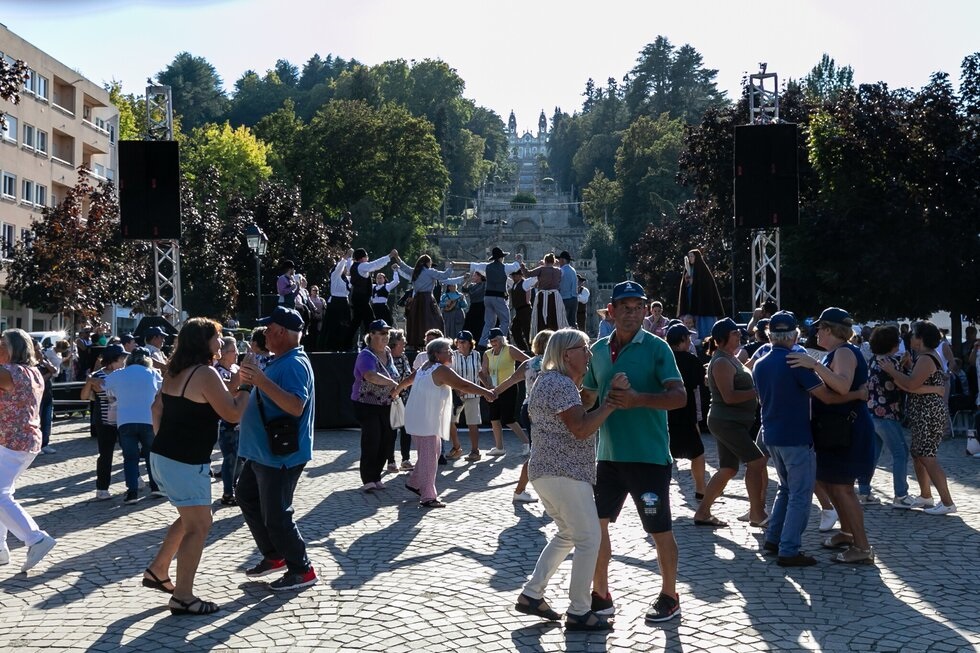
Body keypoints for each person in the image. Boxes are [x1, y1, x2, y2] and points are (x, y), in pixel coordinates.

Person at [581, 280, 686, 623]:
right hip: (607, 457)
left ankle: (670, 595)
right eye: (624, 307)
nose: (631, 313)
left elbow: (679, 397)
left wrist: (638, 399)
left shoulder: (658, 348)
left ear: (645, 310)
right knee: (596, 528)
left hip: (649, 457)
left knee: (659, 531)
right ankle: (601, 594)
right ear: (610, 312)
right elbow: (588, 397)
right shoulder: (596, 351)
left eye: (638, 307)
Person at [515, 329, 624, 631]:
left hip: (548, 472)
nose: (589, 354)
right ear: (566, 354)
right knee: (590, 539)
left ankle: (532, 594)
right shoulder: (559, 383)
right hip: (564, 472)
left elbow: (574, 419)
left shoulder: (550, 381)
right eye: (584, 349)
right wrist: (611, 404)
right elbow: (580, 428)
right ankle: (579, 610)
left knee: (567, 534)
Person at [146, 318, 250, 614]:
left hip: (164, 455)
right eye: (217, 337)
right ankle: (183, 596)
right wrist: (248, 389)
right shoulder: (204, 373)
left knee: (191, 516)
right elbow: (231, 414)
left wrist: (237, 382)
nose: (221, 342)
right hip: (185, 461)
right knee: (200, 525)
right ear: (203, 342)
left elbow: (157, 408)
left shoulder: (175, 371)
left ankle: (158, 569)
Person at [753, 311, 869, 566]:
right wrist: (858, 395)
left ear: (770, 335)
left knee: (785, 489)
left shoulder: (760, 362)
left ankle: (774, 539)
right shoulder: (797, 361)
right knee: (800, 494)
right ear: (794, 335)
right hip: (795, 436)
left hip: (770, 434)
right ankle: (789, 549)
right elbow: (827, 396)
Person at [237, 306, 319, 591]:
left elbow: (296, 406)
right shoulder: (279, 359)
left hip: (280, 455)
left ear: (283, 332)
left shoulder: (294, 363)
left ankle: (302, 569)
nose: (265, 334)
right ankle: (274, 556)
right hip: (263, 451)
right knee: (246, 496)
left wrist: (260, 380)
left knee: (277, 515)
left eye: (269, 330)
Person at [787, 307, 876, 564]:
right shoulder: (836, 353)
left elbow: (841, 384)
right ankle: (847, 533)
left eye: (819, 328)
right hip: (835, 429)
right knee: (830, 483)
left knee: (842, 487)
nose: (816, 332)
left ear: (828, 330)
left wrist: (813, 365)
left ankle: (862, 547)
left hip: (847, 429)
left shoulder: (845, 351)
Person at [394, 338, 495, 508]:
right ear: (436, 354)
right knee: (429, 458)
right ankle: (428, 496)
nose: (451, 353)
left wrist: (395, 391)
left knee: (433, 451)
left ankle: (414, 482)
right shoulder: (439, 370)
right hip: (424, 420)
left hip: (419, 417)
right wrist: (486, 392)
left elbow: (406, 382)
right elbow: (463, 385)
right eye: (447, 350)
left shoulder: (425, 367)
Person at [693, 318, 768, 528]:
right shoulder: (722, 362)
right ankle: (757, 513)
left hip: (732, 422)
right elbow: (729, 396)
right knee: (757, 462)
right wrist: (758, 392)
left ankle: (703, 512)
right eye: (734, 333)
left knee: (728, 469)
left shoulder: (730, 358)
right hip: (727, 422)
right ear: (721, 339)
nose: (738, 336)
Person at [877, 320, 957, 515]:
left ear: (920, 339)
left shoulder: (926, 358)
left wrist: (891, 371)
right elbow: (914, 384)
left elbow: (911, 385)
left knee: (927, 456)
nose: (910, 338)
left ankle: (947, 502)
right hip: (924, 411)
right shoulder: (923, 357)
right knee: (918, 453)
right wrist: (908, 368)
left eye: (913, 335)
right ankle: (925, 495)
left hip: (928, 413)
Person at [0, 328, 56, 572]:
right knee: (3, 493)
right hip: (23, 441)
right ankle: (1, 549)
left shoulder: (12, 372)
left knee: (0, 495)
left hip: (12, 441)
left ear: (12, 349)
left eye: (2, 344)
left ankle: (36, 538)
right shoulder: (33, 372)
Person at [857, 326, 916, 507]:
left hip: (871, 412)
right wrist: (905, 368)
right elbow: (904, 384)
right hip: (887, 414)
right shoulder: (890, 363)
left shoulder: (874, 360)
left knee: (873, 453)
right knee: (900, 453)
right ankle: (901, 495)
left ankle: (864, 491)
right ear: (891, 344)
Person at [495, 329, 555, 503]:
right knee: (542, 452)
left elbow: (511, 380)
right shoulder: (555, 363)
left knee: (541, 451)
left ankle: (538, 490)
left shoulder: (528, 363)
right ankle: (523, 490)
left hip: (528, 408)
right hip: (545, 410)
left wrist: (493, 392)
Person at [102, 347, 164, 505]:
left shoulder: (119, 374)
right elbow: (160, 390)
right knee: (151, 455)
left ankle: (132, 492)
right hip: (148, 419)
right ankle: (156, 486)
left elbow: (105, 387)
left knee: (130, 458)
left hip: (125, 420)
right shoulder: (152, 373)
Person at [351, 319, 399, 491]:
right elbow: (370, 375)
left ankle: (377, 475)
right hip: (366, 403)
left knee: (387, 439)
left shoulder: (387, 351)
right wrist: (392, 383)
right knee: (372, 439)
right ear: (371, 335)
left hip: (385, 403)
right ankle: (368, 478)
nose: (386, 337)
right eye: (381, 333)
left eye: (387, 333)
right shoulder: (365, 355)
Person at [664, 324, 707, 502]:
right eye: (688, 338)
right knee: (697, 454)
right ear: (682, 340)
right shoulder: (691, 360)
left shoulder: (663, 359)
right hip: (686, 415)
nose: (690, 341)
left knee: (664, 458)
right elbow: (699, 384)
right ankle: (701, 490)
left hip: (664, 415)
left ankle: (661, 492)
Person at [80, 344, 127, 500]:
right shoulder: (97, 375)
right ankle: (102, 488)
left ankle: (134, 481)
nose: (124, 361)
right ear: (112, 360)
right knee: (105, 455)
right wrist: (89, 382)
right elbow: (84, 397)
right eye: (122, 358)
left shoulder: (125, 374)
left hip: (124, 419)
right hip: (105, 421)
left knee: (129, 452)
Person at [457, 247, 524, 347]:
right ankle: (502, 342)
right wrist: (519, 258)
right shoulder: (505, 267)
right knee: (505, 320)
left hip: (487, 297)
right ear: (501, 258)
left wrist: (455, 264)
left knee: (489, 322)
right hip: (499, 297)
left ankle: (482, 343)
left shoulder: (486, 266)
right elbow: (516, 266)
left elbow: (473, 265)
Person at [394, 255, 464, 348]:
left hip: (417, 300)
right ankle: (436, 341)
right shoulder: (430, 272)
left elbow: (404, 266)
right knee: (435, 320)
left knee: (416, 321)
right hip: (427, 299)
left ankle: (415, 342)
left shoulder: (415, 271)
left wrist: (397, 257)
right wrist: (451, 267)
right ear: (428, 263)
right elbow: (444, 276)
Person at [480, 328, 530, 456]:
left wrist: (522, 375)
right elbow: (484, 372)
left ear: (501, 339)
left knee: (508, 418)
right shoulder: (487, 354)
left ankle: (527, 443)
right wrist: (487, 388)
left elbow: (528, 361)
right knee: (494, 418)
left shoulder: (509, 349)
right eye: (491, 341)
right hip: (493, 389)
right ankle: (499, 447)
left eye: (495, 340)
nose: (493, 343)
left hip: (509, 388)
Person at [213, 337, 244, 505]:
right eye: (234, 351)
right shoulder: (216, 372)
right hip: (224, 421)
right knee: (230, 457)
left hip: (240, 420)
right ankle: (227, 492)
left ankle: (234, 486)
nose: (237, 354)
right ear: (223, 354)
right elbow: (229, 392)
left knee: (240, 458)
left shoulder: (236, 369)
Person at [348, 248, 398, 348]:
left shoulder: (353, 266)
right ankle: (370, 344)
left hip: (357, 297)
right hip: (361, 298)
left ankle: (347, 343)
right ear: (362, 258)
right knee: (370, 320)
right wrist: (389, 256)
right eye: (366, 256)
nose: (367, 258)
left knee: (356, 321)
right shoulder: (362, 266)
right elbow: (375, 265)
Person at [450, 331, 485, 462]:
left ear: (470, 343)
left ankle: (475, 450)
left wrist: (487, 387)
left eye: (463, 342)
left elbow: (479, 372)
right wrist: (456, 389)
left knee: (473, 423)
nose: (460, 344)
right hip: (456, 394)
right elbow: (450, 374)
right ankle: (456, 447)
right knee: (450, 421)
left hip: (473, 394)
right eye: (458, 342)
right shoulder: (452, 355)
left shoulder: (476, 355)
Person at [677, 249, 725, 339]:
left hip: (702, 304)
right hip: (691, 300)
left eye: (692, 256)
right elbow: (685, 286)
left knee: (704, 325)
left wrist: (694, 282)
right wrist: (687, 281)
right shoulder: (688, 269)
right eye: (689, 256)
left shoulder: (703, 271)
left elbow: (705, 287)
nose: (690, 258)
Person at [386, 330, 414, 472]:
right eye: (402, 344)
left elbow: (408, 374)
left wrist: (403, 387)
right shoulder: (385, 358)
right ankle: (390, 461)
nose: (404, 347)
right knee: (391, 431)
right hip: (390, 399)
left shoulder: (403, 357)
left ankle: (406, 459)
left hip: (404, 398)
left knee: (406, 430)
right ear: (394, 344)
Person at [524, 252, 567, 339]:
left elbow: (527, 274)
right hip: (555, 296)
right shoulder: (559, 271)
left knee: (540, 318)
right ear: (553, 261)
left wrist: (522, 266)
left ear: (545, 261)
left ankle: (540, 338)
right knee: (556, 317)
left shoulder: (541, 269)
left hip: (543, 296)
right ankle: (557, 338)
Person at [325, 250, 353, 352]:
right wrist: (345, 257)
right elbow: (339, 267)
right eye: (344, 268)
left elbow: (352, 268)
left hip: (344, 302)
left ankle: (344, 345)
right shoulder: (335, 276)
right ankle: (332, 346)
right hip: (335, 302)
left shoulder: (348, 279)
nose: (345, 269)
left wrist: (350, 258)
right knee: (334, 324)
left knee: (345, 324)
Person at [509, 269, 534, 352]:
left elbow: (534, 278)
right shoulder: (514, 284)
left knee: (527, 331)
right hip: (519, 311)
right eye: (512, 276)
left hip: (525, 310)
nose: (513, 277)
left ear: (520, 275)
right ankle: (523, 349)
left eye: (515, 275)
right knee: (514, 329)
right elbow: (506, 279)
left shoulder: (525, 283)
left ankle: (531, 350)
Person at [461, 271, 487, 340]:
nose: (473, 277)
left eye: (475, 276)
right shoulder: (472, 285)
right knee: (468, 324)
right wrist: (467, 280)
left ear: (480, 276)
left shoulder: (484, 284)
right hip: (473, 306)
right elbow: (464, 289)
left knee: (479, 325)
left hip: (481, 307)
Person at [558, 251, 578, 329]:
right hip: (574, 298)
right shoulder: (573, 270)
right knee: (572, 322)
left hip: (565, 298)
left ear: (563, 260)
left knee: (563, 322)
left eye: (559, 260)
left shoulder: (561, 271)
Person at [304, 285, 326, 352]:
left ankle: (318, 348)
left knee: (319, 333)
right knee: (311, 333)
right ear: (311, 291)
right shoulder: (308, 299)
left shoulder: (322, 300)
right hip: (311, 319)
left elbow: (324, 309)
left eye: (317, 290)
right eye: (314, 290)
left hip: (320, 319)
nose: (316, 292)